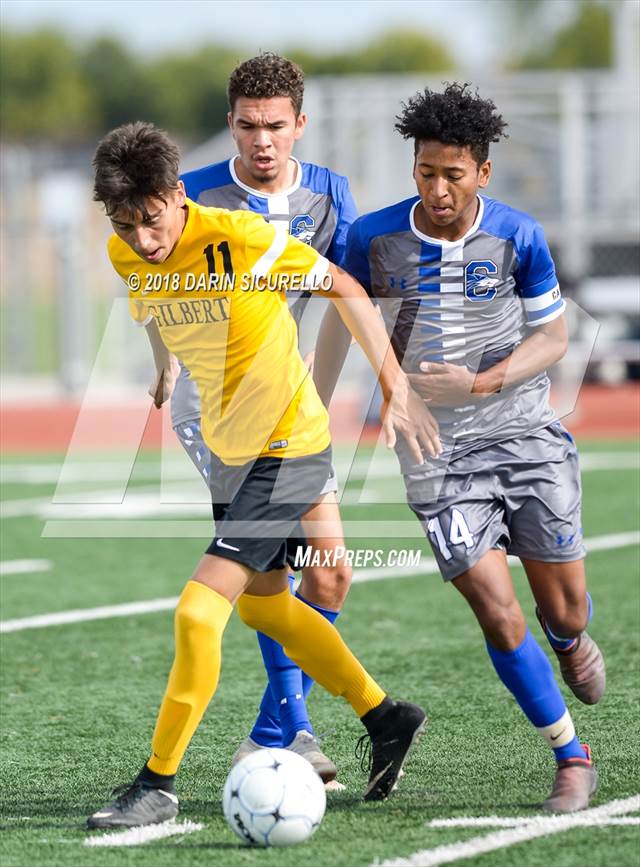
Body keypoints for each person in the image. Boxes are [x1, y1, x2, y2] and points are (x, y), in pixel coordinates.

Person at [87, 120, 439, 828]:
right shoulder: (126, 253)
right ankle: (385, 714)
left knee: (198, 611)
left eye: (152, 221)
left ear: (176, 195)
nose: (143, 240)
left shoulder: (240, 239)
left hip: (286, 442)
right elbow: (153, 300)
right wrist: (164, 365)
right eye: (125, 226)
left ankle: (157, 783)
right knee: (264, 606)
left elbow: (341, 283)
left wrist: (393, 385)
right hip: (230, 447)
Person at [340, 83, 605, 814]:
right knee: (494, 607)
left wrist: (484, 380)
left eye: (453, 173)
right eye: (426, 171)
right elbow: (344, 302)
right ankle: (570, 754)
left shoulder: (517, 235)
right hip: (435, 453)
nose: (437, 187)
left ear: (482, 172)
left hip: (523, 433)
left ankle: (566, 635)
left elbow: (553, 335)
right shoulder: (374, 237)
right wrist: (392, 385)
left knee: (569, 608)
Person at [149, 53, 359, 784]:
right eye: (246, 126)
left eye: (275, 126)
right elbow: (148, 274)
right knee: (272, 566)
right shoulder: (195, 195)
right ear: (230, 125)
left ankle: (277, 726)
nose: (262, 140)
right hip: (218, 409)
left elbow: (343, 293)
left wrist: (322, 390)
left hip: (291, 401)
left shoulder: (330, 192)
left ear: (300, 123)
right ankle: (290, 729)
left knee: (329, 579)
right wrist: (166, 359)